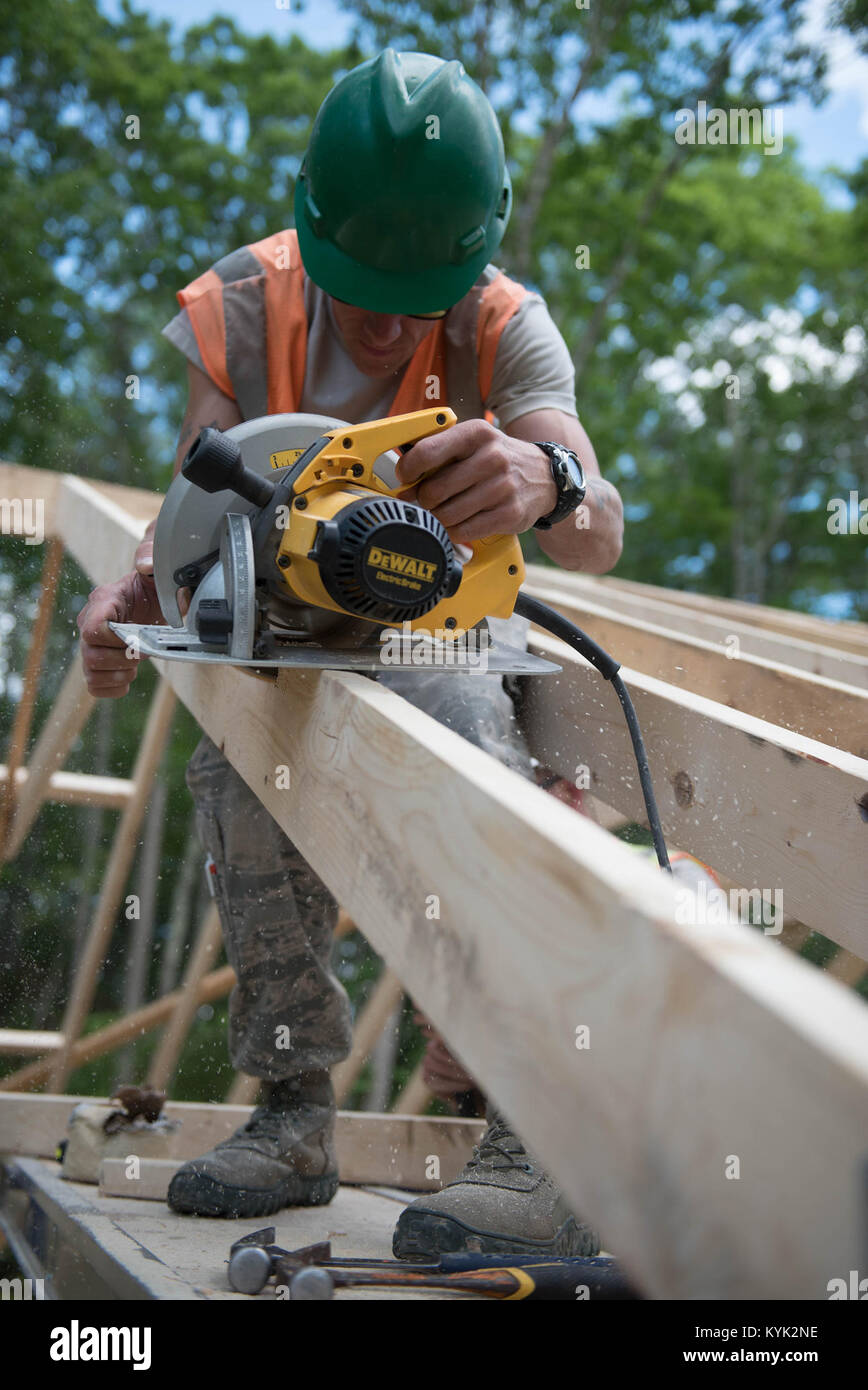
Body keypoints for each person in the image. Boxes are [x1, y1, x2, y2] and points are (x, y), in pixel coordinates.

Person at [77, 48, 623, 1260]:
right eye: (361, 287)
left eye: (414, 292)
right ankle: (290, 1118)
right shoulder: (236, 303)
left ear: (471, 256)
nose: (384, 320)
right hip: (282, 622)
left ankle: (523, 1135)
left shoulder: (503, 323)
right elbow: (190, 517)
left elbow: (600, 532)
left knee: (464, 732)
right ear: (311, 225)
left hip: (440, 623)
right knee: (237, 767)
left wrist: (551, 476)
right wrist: (132, 590)